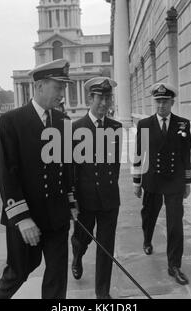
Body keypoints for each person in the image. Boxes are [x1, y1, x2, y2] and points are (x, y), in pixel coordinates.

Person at [0, 59, 79, 299]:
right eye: (58, 87)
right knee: (17, 274)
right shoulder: (12, 121)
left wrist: (71, 203)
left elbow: (66, 168)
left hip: (57, 216)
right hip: (27, 217)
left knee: (56, 278)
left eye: (64, 88)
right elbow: (6, 174)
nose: (62, 94)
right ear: (40, 86)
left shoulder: (63, 122)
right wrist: (22, 219)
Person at [132, 83, 191, 286]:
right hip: (152, 178)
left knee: (175, 223)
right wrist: (137, 181)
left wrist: (187, 181)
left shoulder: (183, 124)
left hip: (174, 179)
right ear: (154, 102)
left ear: (172, 102)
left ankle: (174, 264)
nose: (161, 105)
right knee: (149, 215)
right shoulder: (145, 124)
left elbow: (185, 154)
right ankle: (147, 238)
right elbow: (140, 153)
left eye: (165, 101)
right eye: (158, 101)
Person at [71, 77, 122, 299]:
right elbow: (71, 169)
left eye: (107, 97)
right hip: (85, 199)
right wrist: (72, 200)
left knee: (106, 248)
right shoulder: (74, 129)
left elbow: (116, 164)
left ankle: (102, 292)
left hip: (110, 200)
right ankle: (77, 255)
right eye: (100, 97)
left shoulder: (116, 128)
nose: (104, 102)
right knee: (83, 239)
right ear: (90, 98)